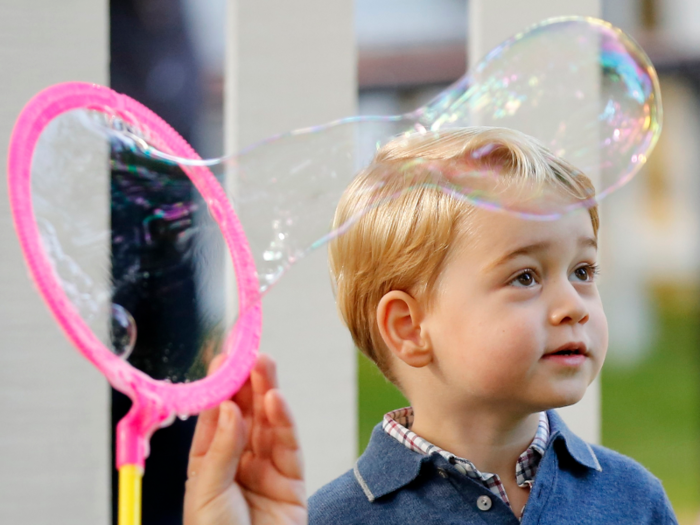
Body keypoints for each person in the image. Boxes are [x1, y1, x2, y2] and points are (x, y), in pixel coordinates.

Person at [185, 127, 678, 524]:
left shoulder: (633, 499)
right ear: (409, 327)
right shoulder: (333, 519)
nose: (574, 305)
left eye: (583, 272)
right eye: (525, 277)